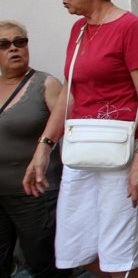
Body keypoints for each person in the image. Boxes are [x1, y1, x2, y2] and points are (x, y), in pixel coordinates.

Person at [23, 0, 138, 278]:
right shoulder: (79, 30)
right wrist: (44, 146)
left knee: (120, 254)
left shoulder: (130, 27)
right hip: (81, 150)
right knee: (76, 246)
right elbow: (69, 95)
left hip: (122, 152)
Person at [0, 21, 69, 278]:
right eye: (4, 44)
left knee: (45, 264)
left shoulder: (45, 84)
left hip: (36, 194)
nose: (14, 49)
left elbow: (68, 125)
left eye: (20, 42)